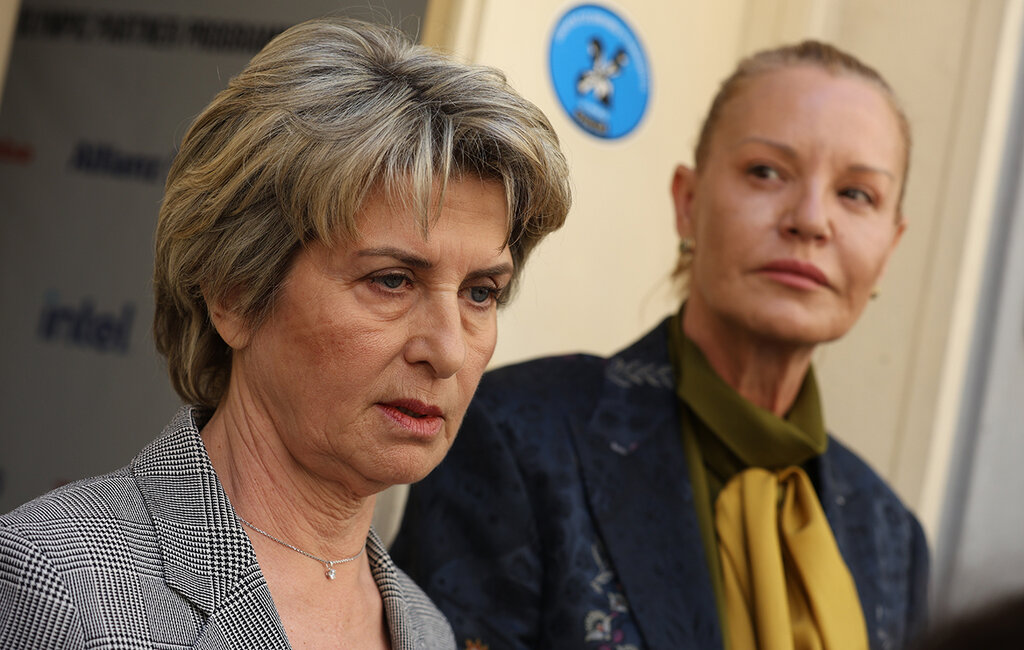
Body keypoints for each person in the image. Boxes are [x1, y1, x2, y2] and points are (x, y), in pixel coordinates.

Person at [0, 16, 570, 649]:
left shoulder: (427, 628)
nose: (449, 350)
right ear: (235, 291)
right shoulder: (55, 582)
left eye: (480, 293)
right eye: (392, 281)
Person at [393, 40, 928, 649]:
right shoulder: (515, 435)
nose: (809, 220)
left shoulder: (894, 538)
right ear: (688, 203)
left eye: (856, 194)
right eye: (766, 172)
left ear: (890, 246)